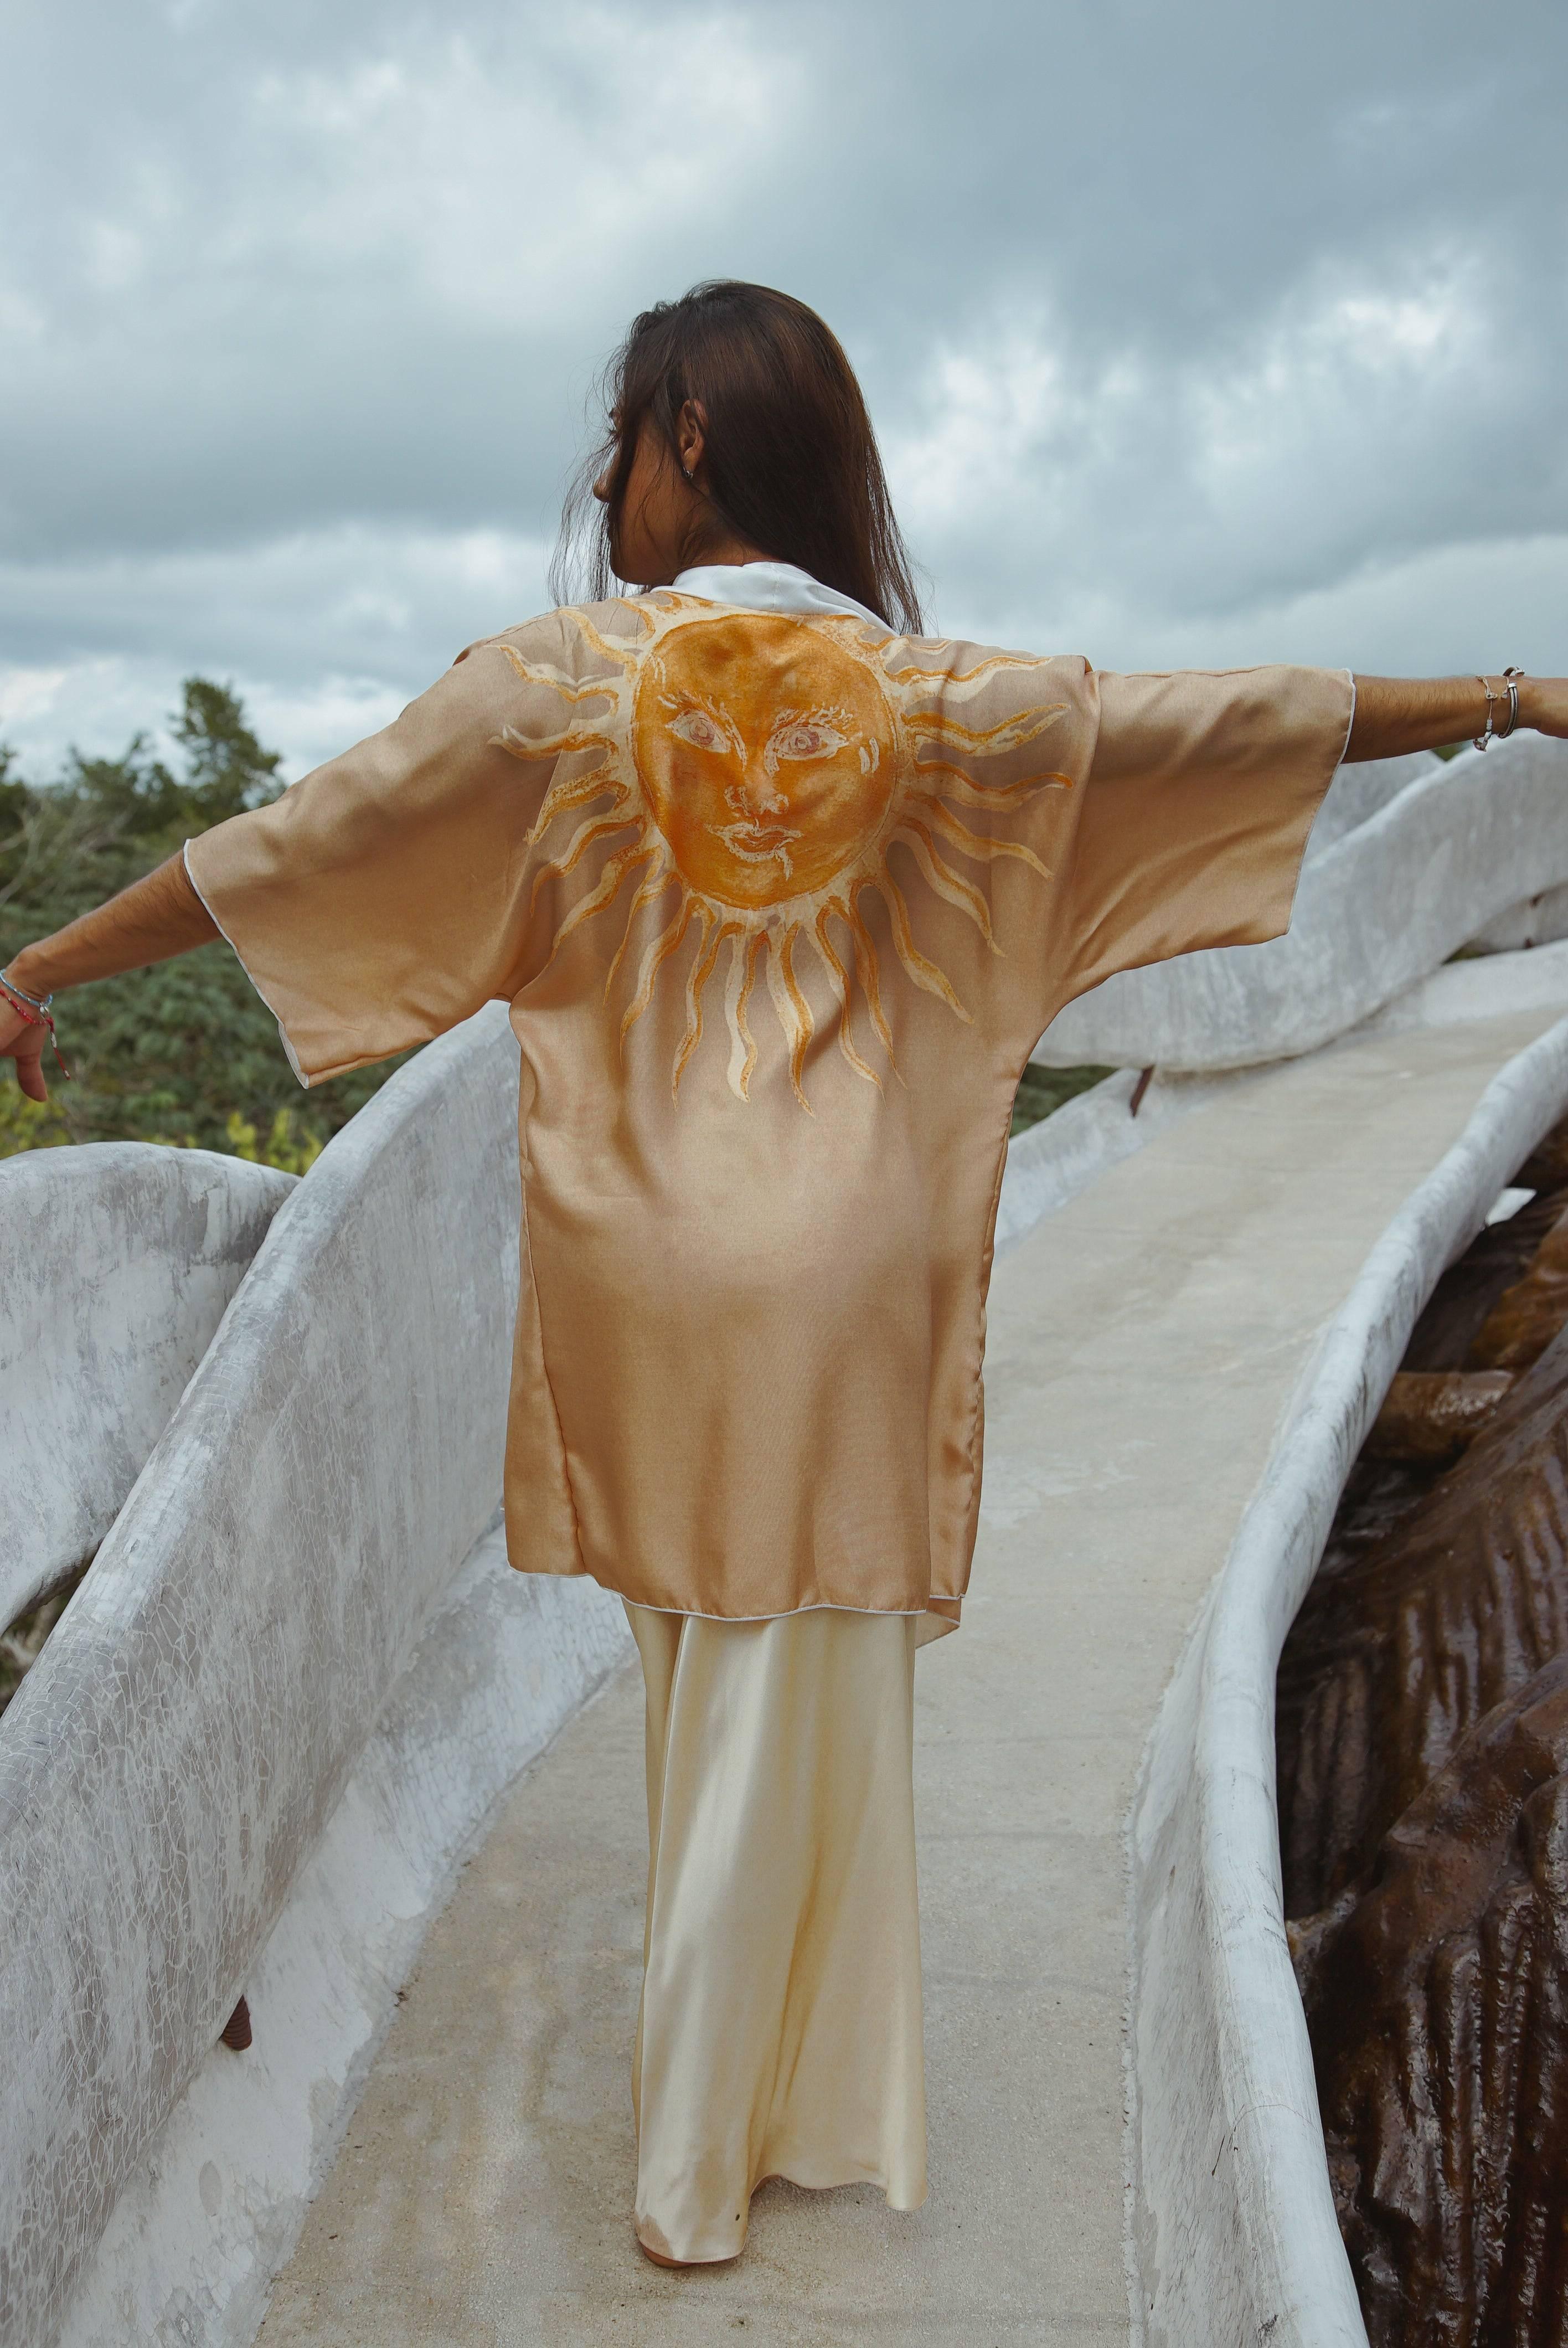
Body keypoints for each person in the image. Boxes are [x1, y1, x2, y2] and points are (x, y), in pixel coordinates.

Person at [4, 278, 1565, 2270]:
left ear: (688, 441)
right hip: (848, 1273)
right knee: (790, 1680)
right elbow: (1248, 719)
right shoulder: (944, 704)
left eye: (624, 438)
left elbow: (292, 849)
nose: (603, 482)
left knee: (705, 1682)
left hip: (641, 1263)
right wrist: (1512, 697)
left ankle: (731, 2133)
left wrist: (46, 963)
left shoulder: (549, 685)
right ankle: (745, 2134)